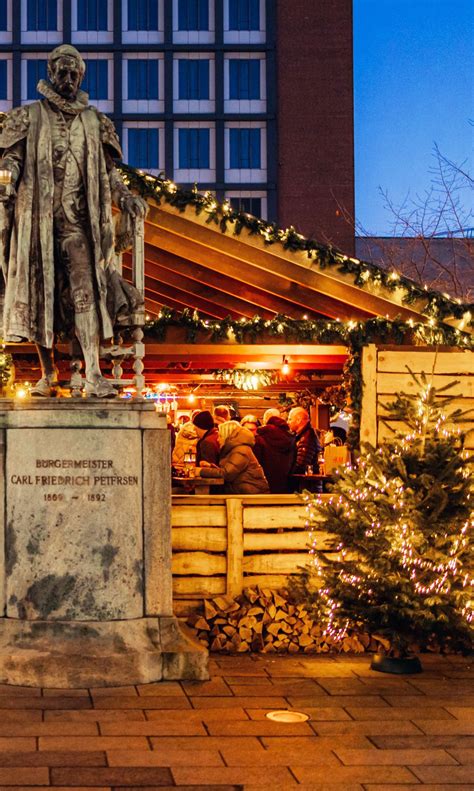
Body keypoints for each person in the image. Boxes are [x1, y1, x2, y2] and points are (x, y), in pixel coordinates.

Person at [0, 45, 147, 397]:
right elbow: (12, 160)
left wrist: (125, 197)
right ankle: (47, 374)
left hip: (78, 224)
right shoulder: (28, 116)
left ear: (81, 77)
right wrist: (7, 174)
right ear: (51, 73)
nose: (67, 80)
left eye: (73, 74)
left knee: (85, 289)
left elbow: (110, 175)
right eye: (61, 73)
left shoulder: (96, 122)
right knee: (41, 295)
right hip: (36, 223)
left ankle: (94, 372)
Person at [198, 420, 269, 494]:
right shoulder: (235, 449)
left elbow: (227, 474)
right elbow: (230, 471)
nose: (218, 439)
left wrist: (201, 471)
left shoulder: (241, 450)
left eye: (220, 436)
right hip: (244, 492)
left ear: (227, 436)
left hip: (250, 495)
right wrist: (211, 466)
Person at [256, 410, 295, 493]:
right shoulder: (290, 438)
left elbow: (257, 461)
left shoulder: (261, 438)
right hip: (287, 483)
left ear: (265, 420)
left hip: (266, 482)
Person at [287, 406, 322, 474]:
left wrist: (286, 472)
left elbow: (301, 465)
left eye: (290, 419)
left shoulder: (307, 438)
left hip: (307, 483)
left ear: (298, 420)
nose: (288, 422)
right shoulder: (303, 435)